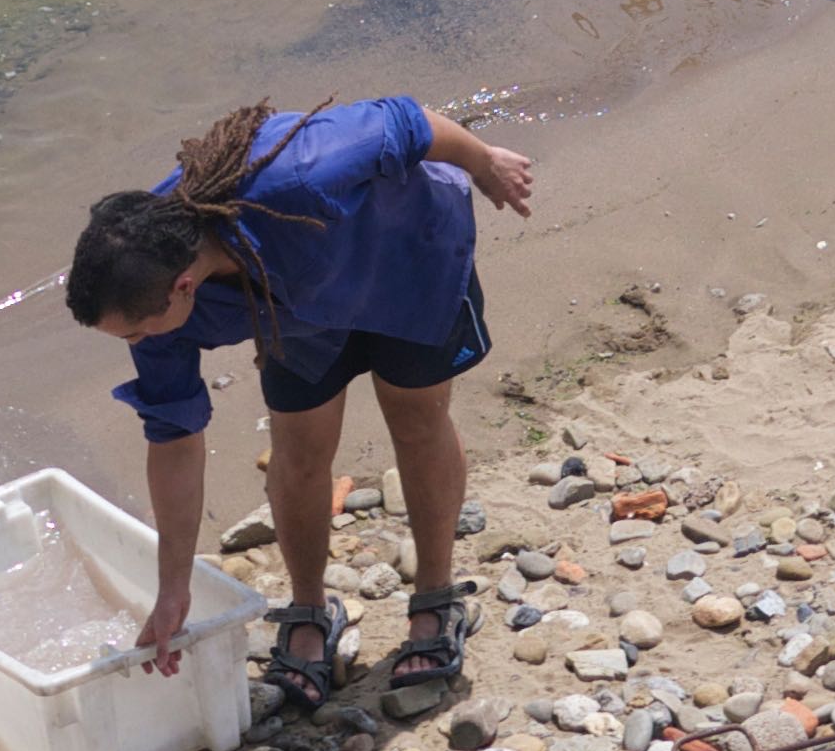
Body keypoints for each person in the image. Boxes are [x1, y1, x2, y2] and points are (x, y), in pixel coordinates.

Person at [65, 94, 532, 712]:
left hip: (412, 258)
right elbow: (174, 440)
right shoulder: (156, 304)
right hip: (296, 311)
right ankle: (310, 607)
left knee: (417, 419)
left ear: (183, 287)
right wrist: (172, 586)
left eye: (133, 332)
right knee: (300, 442)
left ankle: (435, 598)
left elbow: (409, 121)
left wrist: (482, 162)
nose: (136, 344)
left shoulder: (297, 176)